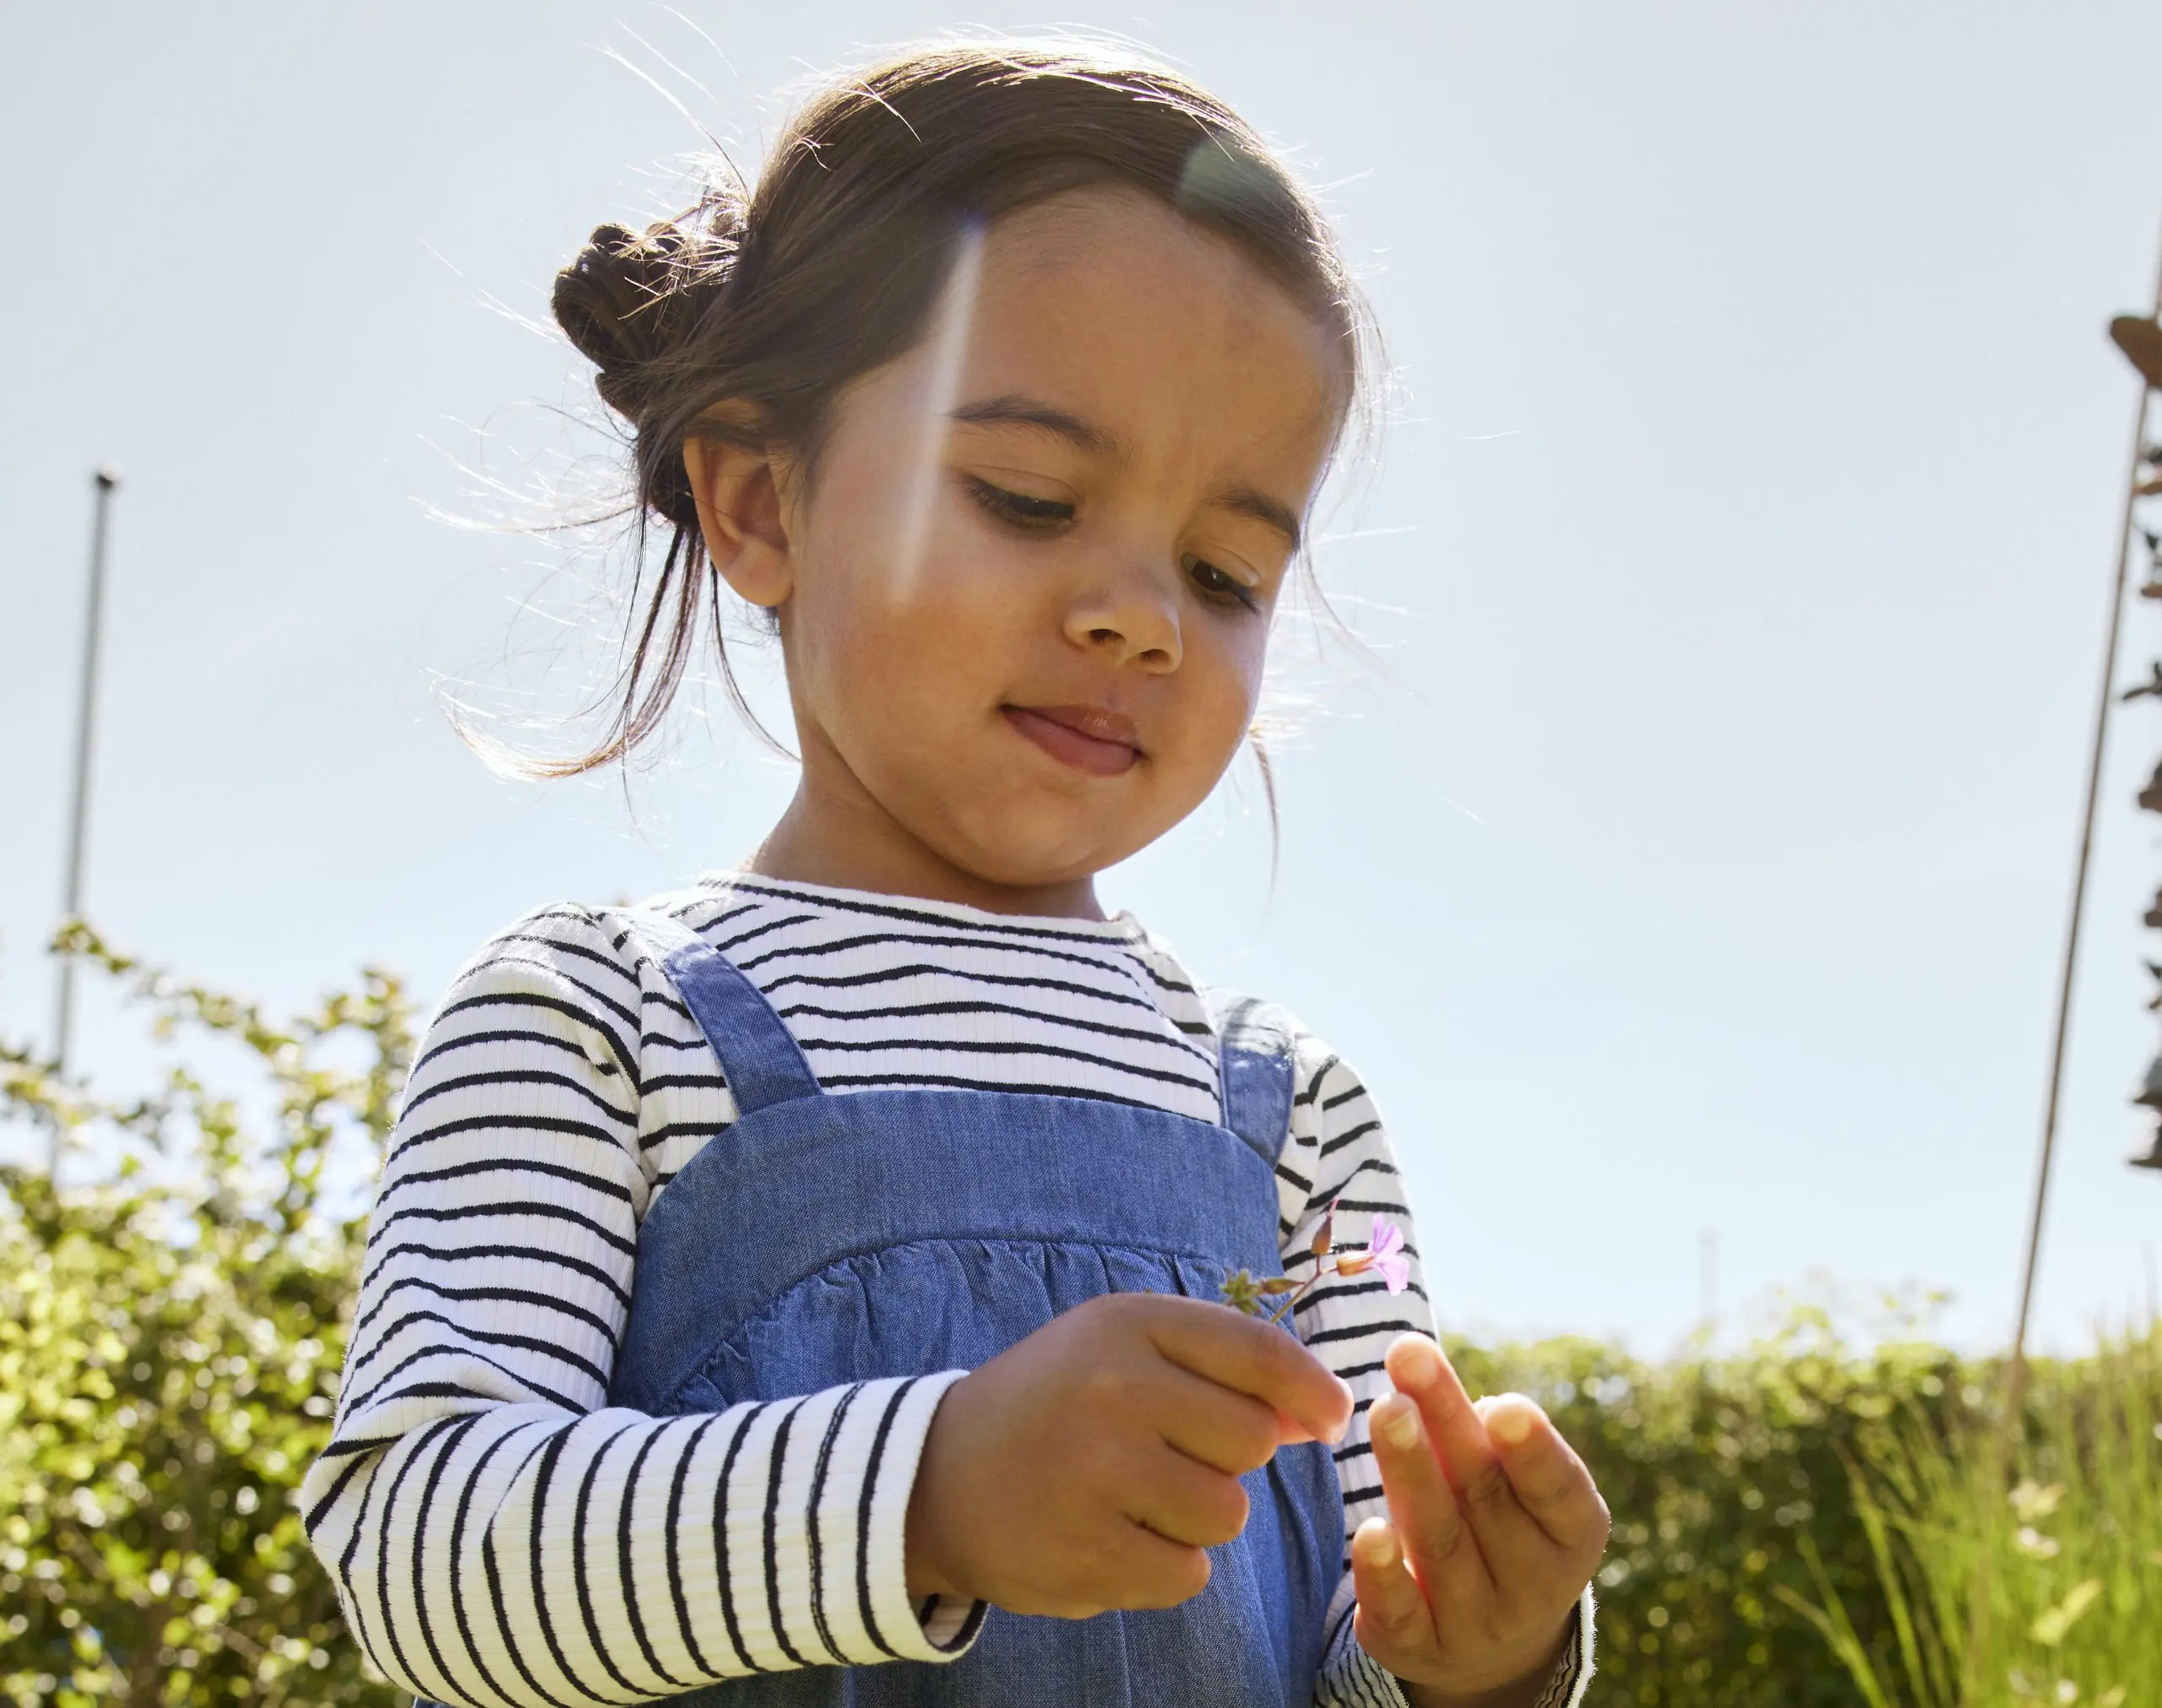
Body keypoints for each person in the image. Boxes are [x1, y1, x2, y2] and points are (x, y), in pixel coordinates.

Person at [301, 40, 1609, 1708]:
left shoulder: (1299, 1124)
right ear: (761, 504)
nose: (1135, 611)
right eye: (1029, 496)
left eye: (1222, 571)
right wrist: (926, 1490)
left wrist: (1470, 1658)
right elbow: (425, 1557)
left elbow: (1338, 1636)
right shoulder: (593, 1023)